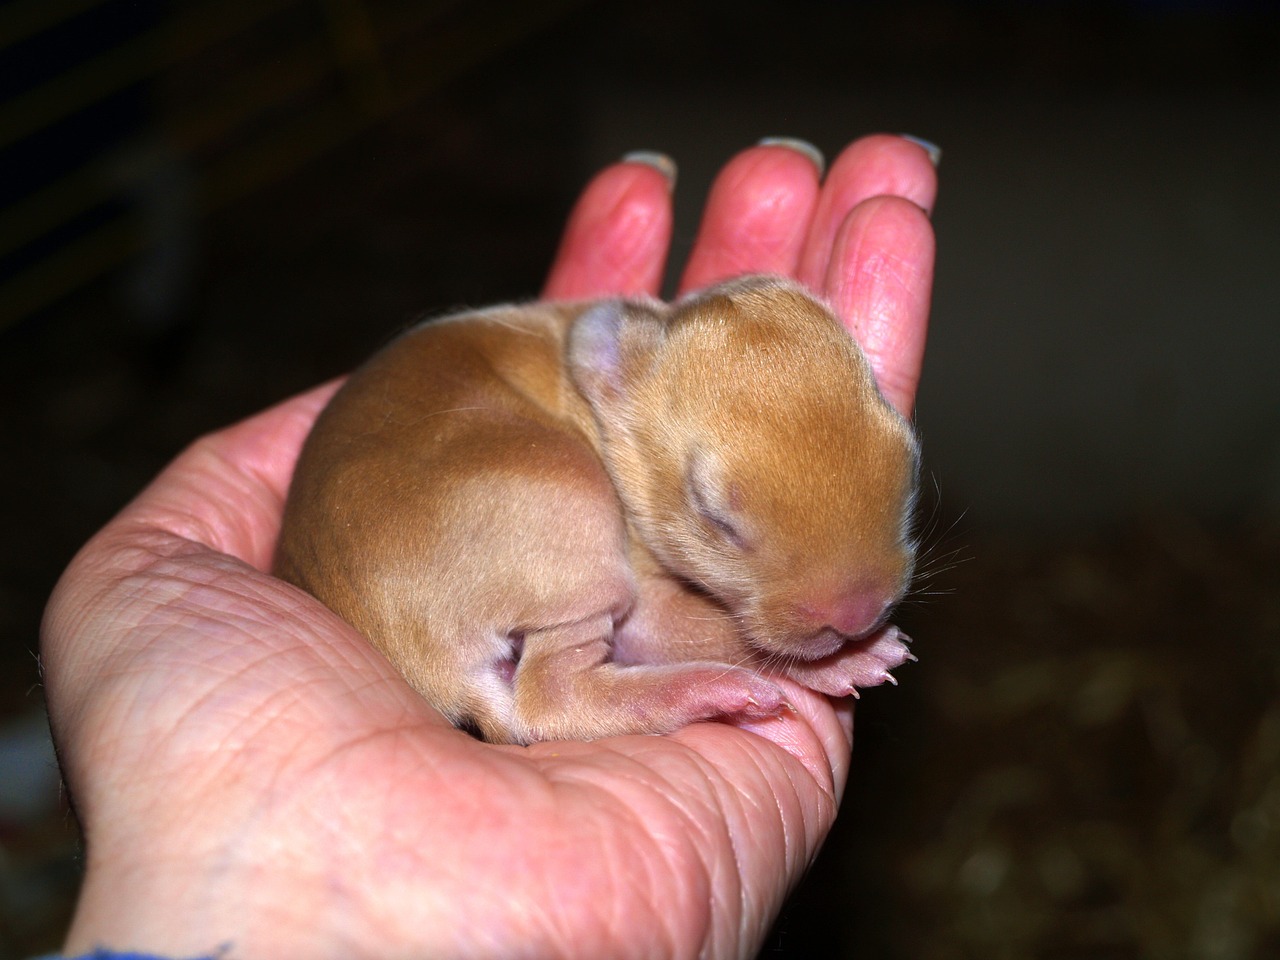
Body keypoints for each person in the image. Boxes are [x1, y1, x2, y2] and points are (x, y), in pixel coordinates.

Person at [39, 133, 938, 960]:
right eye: (729, 522)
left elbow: (645, 602)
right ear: (609, 378)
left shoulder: (640, 412)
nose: (853, 607)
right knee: (566, 520)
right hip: (423, 564)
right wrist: (768, 661)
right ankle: (561, 686)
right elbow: (637, 603)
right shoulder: (607, 414)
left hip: (434, 594)